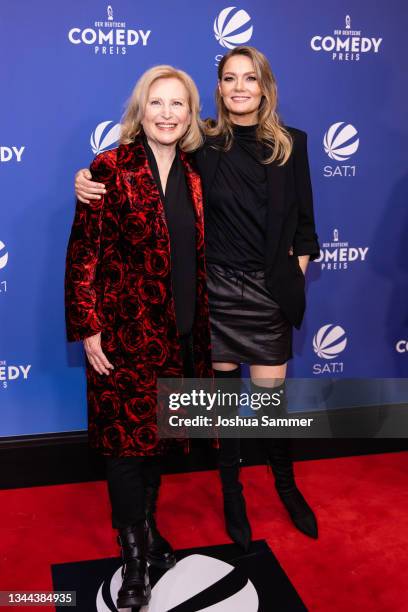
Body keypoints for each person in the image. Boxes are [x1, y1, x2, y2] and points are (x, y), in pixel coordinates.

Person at [74, 46, 320, 553]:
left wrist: (288, 284)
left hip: (269, 296)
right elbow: (138, 163)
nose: (239, 88)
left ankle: (286, 485)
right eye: (229, 79)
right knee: (224, 408)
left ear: (265, 86)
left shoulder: (292, 144)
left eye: (249, 78)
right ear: (218, 89)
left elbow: (305, 228)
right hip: (218, 297)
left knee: (273, 404)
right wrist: (86, 180)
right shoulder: (201, 144)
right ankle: (232, 497)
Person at [65, 65, 212, 609]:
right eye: (158, 103)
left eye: (179, 104)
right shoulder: (108, 166)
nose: (168, 114)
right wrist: (89, 327)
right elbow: (83, 254)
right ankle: (132, 558)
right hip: (124, 337)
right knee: (127, 449)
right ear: (140, 110)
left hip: (181, 334)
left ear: (191, 113)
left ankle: (148, 533)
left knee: (157, 443)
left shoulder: (197, 173)